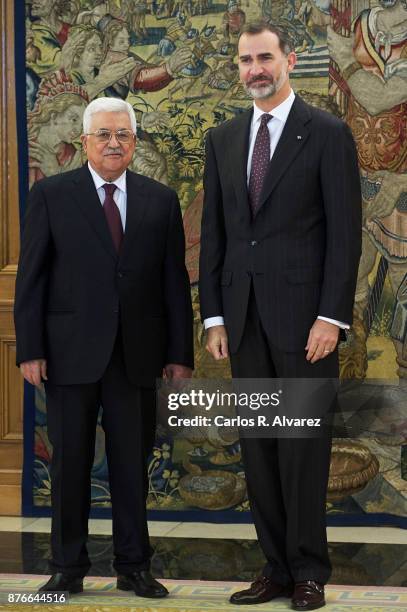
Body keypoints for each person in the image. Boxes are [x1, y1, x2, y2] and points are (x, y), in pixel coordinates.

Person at [199, 22, 361, 609]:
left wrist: (330, 317)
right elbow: (214, 235)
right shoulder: (223, 138)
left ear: (290, 60)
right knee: (259, 449)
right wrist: (213, 317)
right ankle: (274, 569)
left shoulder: (327, 133)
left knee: (303, 449)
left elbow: (345, 236)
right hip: (241, 319)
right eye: (245, 60)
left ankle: (310, 570)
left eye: (264, 57)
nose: (254, 70)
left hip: (305, 324)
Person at [15, 97, 193, 597]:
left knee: (131, 466)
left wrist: (179, 354)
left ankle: (134, 566)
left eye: (124, 135)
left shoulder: (161, 200)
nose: (114, 143)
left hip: (137, 356)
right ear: (86, 140)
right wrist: (29, 349)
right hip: (68, 354)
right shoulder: (51, 194)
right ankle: (67, 568)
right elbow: (32, 279)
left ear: (135, 142)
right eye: (104, 135)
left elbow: (174, 283)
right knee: (69, 464)